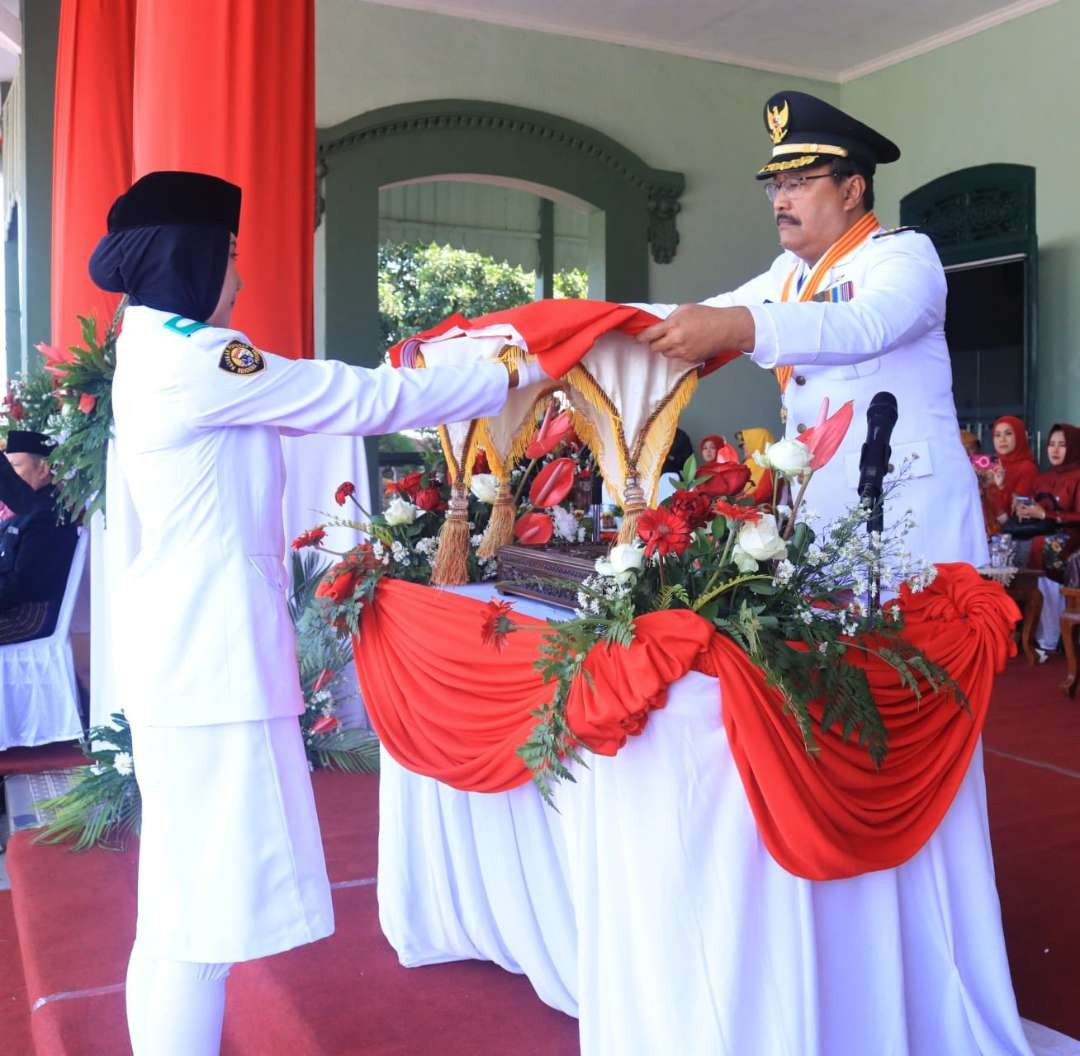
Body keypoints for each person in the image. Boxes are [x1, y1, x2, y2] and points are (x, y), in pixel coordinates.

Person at [88, 170, 547, 1056]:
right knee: (199, 927)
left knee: (181, 910)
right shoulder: (198, 363)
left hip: (191, 664)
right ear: (188, 257)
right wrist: (509, 369)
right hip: (212, 676)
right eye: (229, 256)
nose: (241, 279)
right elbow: (362, 398)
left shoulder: (153, 349)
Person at [639, 90, 986, 567]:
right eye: (775, 186)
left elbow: (867, 325)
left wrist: (738, 326)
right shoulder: (787, 274)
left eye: (798, 182)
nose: (780, 200)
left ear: (851, 190)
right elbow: (691, 316)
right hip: (820, 518)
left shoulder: (903, 255)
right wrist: (571, 327)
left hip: (911, 522)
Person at [0, 431, 78, 644]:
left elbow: (24, 584)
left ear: (43, 468)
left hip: (30, 615)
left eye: (15, 467)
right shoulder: (26, 507)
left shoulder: (48, 513)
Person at [1013, 424, 1080, 660]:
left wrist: (1046, 515)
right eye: (1052, 444)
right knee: (1013, 546)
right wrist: (1024, 511)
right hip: (1043, 533)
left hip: (1071, 534)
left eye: (1062, 445)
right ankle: (1025, 633)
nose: (1055, 450)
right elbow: (1035, 508)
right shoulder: (1043, 477)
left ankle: (1049, 637)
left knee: (1043, 546)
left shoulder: (1078, 476)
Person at [985, 415, 1038, 528]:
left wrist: (1000, 487)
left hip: (1011, 533)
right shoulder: (991, 465)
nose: (1002, 439)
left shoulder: (1027, 468)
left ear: (1019, 436)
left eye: (1008, 433)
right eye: (997, 435)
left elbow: (1015, 512)